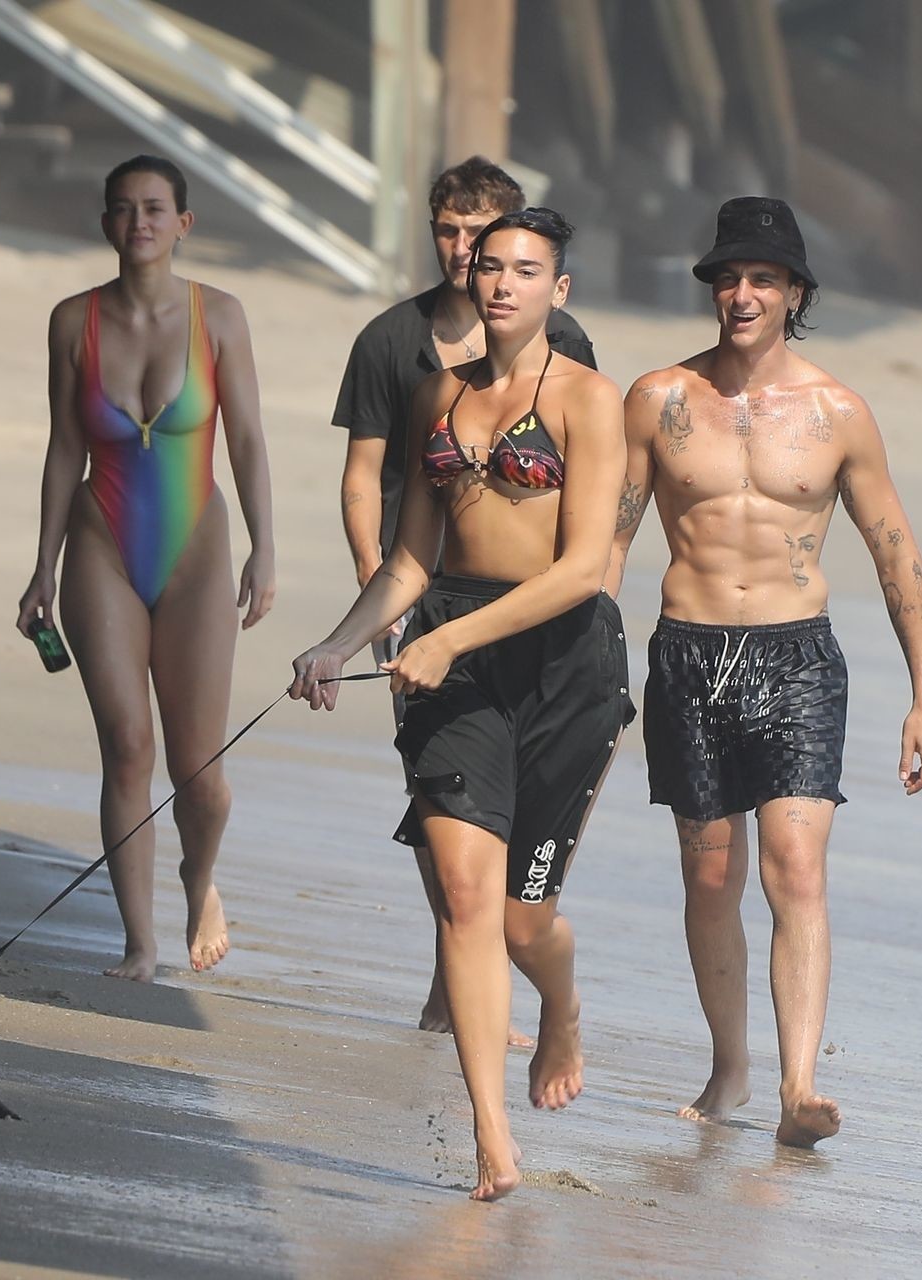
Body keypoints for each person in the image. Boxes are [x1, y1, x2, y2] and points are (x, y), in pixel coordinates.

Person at [292, 209, 629, 1200]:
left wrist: (450, 638)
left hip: (565, 665)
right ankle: (492, 1134)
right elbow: (410, 559)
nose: (502, 283)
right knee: (466, 895)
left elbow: (582, 569)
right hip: (456, 664)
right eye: (489, 266)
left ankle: (559, 1004)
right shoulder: (436, 394)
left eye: (525, 269)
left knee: (525, 924)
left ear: (558, 290)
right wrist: (337, 642)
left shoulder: (589, 399)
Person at [608, 197, 922, 1148]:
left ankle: (801, 1088)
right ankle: (732, 1066)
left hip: (797, 659)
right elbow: (611, 541)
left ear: (796, 292)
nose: (743, 294)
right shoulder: (660, 400)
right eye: (728, 277)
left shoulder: (839, 413)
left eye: (763, 278)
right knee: (711, 877)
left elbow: (896, 553)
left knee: (795, 867)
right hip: (690, 656)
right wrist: (586, 656)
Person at [332, 156, 597, 1039]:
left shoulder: (576, 367)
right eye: (468, 247)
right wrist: (354, 619)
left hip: (550, 636)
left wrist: (594, 591)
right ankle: (463, 1002)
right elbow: (375, 494)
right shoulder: (404, 358)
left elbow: (593, 522)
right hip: (431, 611)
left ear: (554, 282)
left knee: (522, 889)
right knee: (451, 840)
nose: (480, 266)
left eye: (507, 256)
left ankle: (533, 988)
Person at [18, 155, 276, 982]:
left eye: (156, 208)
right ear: (107, 223)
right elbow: (64, 448)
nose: (140, 222)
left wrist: (265, 546)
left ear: (183, 224)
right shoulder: (73, 321)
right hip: (101, 543)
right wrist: (43, 566)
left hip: (197, 551)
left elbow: (246, 439)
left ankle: (199, 878)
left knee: (199, 774)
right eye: (125, 208)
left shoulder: (220, 316)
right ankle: (139, 942)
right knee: (128, 746)